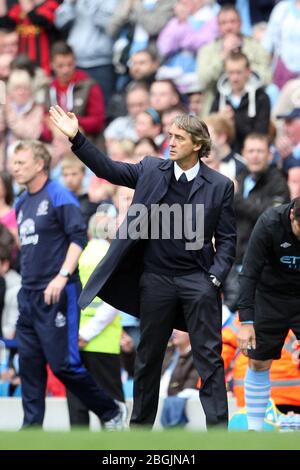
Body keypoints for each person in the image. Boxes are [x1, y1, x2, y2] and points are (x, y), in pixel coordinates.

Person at [49, 105, 236, 429]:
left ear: (197, 144)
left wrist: (214, 279)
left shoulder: (220, 185)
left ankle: (219, 433)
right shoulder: (151, 169)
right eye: (170, 136)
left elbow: (228, 240)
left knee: (210, 360)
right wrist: (77, 138)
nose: (171, 142)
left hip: (197, 281)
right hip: (156, 281)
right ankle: (139, 435)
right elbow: (108, 169)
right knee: (148, 360)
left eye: (178, 137)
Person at [12, 139, 126, 429]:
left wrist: (62, 276)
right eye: (14, 162)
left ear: (39, 165)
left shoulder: (60, 196)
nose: (14, 168)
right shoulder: (22, 201)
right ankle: (31, 428)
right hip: (29, 296)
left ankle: (110, 411)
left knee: (64, 365)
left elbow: (78, 238)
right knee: (29, 365)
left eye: (21, 163)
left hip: (58, 293)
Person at [237, 197, 300, 431]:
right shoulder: (270, 222)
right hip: (270, 296)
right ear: (292, 216)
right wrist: (246, 320)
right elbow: (249, 271)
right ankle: (255, 429)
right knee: (259, 361)